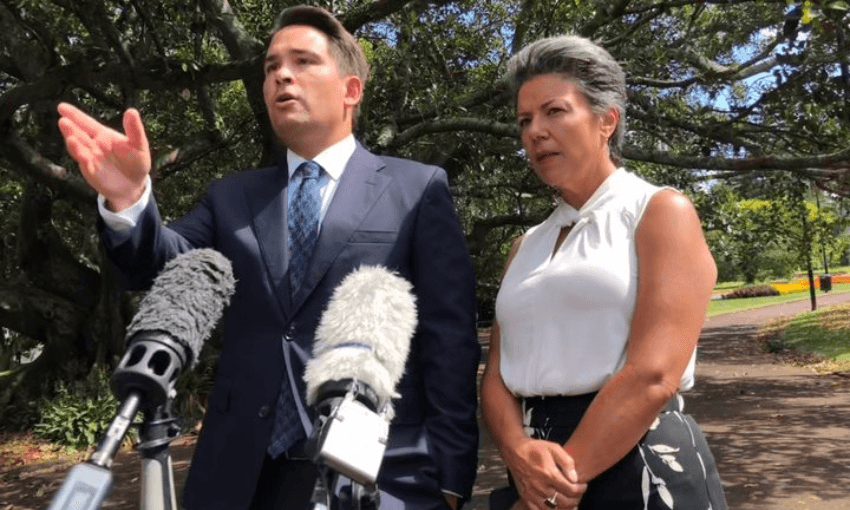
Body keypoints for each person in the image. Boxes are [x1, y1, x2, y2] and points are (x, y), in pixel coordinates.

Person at [57, 6, 480, 510]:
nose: (281, 74)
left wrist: (452, 477)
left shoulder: (416, 188)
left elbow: (449, 339)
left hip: (372, 471)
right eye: (271, 66)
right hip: (236, 474)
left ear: (351, 90)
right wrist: (128, 201)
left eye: (303, 61)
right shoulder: (232, 197)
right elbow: (161, 265)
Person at [480, 35, 727, 510]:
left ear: (606, 121)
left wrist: (551, 490)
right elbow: (496, 376)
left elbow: (654, 374)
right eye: (525, 120)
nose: (535, 131)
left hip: (637, 464)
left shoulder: (658, 211)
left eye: (554, 111)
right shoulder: (523, 246)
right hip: (535, 468)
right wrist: (516, 452)